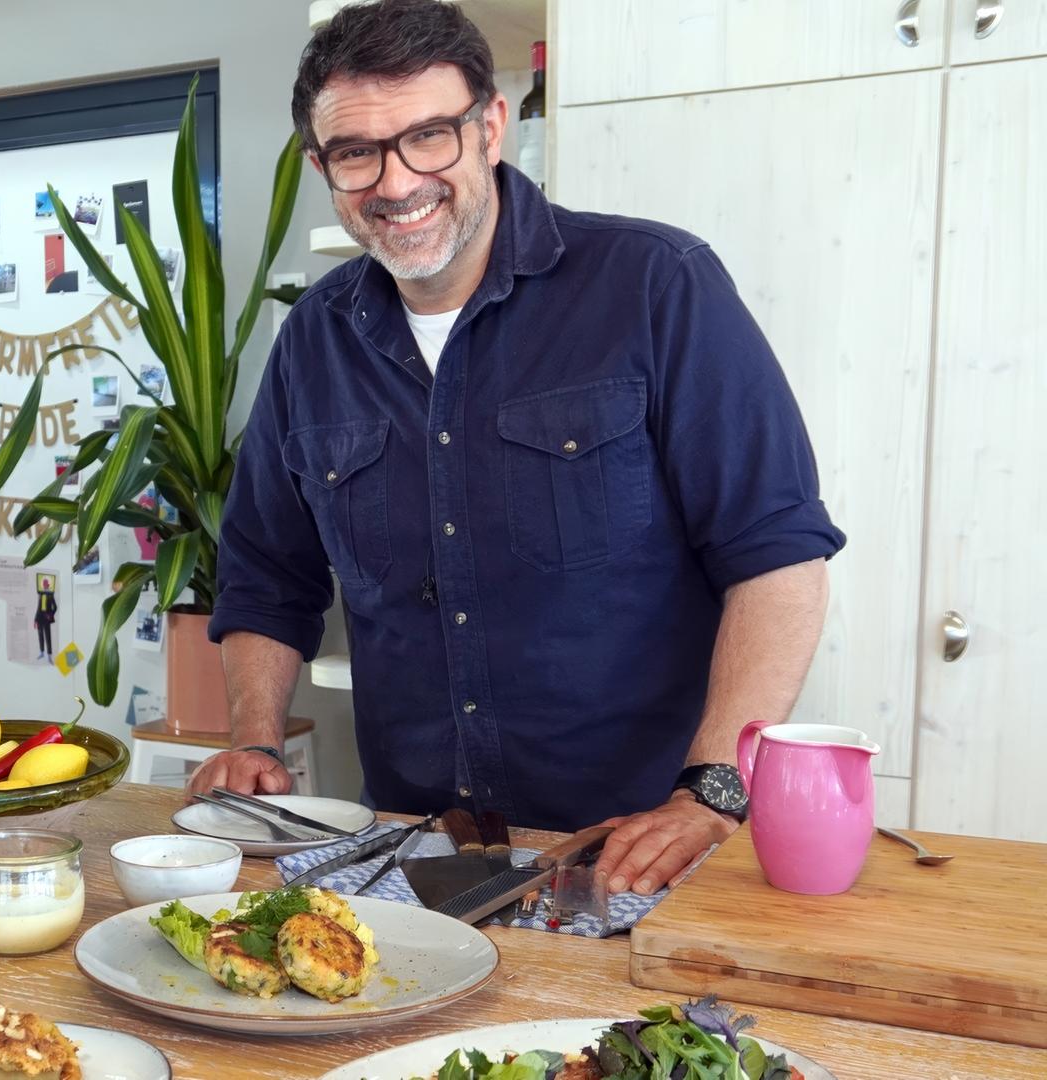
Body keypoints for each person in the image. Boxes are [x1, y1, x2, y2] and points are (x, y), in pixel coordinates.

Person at [193, 0, 844, 898]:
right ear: (321, 165)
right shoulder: (314, 339)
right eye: (357, 152)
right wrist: (255, 739)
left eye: (429, 135)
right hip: (419, 856)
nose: (396, 182)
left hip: (643, 846)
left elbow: (778, 556)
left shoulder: (656, 284)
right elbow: (267, 573)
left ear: (491, 127)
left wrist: (712, 791)